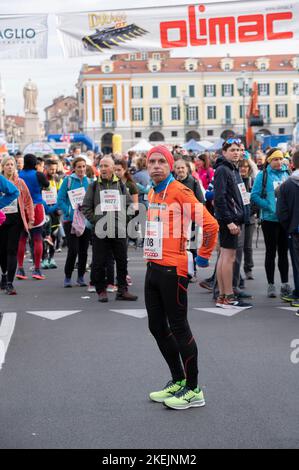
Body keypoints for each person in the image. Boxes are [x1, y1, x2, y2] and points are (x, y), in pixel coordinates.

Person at [144, 145, 218, 410]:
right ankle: (177, 380)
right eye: (151, 161)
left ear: (170, 164)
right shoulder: (152, 191)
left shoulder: (180, 191)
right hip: (153, 265)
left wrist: (203, 256)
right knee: (156, 326)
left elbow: (210, 225)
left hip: (173, 269)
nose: (155, 166)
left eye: (161, 162)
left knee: (179, 327)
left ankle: (194, 389)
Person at [82, 156, 138, 302]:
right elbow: (86, 207)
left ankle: (122, 290)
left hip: (119, 230)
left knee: (122, 261)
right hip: (100, 230)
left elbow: (130, 205)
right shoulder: (94, 186)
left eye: (106, 166)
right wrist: (96, 221)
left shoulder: (120, 185)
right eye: (101, 166)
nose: (103, 168)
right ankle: (101, 291)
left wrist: (125, 221)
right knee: (98, 262)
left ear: (113, 168)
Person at [213, 139, 252, 308]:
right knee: (228, 258)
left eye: (238, 150)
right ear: (225, 152)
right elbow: (219, 198)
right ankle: (228, 296)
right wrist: (229, 221)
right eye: (232, 150)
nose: (236, 152)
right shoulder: (223, 169)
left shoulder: (232, 169)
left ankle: (223, 296)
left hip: (233, 219)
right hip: (229, 220)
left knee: (225, 257)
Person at [251, 148, 291, 298]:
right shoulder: (263, 175)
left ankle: (285, 284)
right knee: (270, 253)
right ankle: (271, 284)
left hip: (284, 220)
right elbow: (254, 195)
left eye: (281, 159)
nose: (279, 162)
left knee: (283, 253)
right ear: (269, 160)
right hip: (269, 220)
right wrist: (268, 205)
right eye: (275, 159)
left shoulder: (287, 174)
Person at [0, 156, 34, 294]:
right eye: (7, 164)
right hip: (1, 220)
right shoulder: (1, 181)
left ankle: (9, 283)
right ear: (3, 167)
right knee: (2, 251)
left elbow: (28, 201)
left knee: (11, 250)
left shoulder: (20, 183)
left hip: (16, 221)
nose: (9, 167)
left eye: (12, 164)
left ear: (15, 167)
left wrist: (31, 219)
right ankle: (3, 275)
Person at [57, 156, 91, 287]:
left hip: (85, 221)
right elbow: (60, 200)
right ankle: (67, 276)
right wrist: (70, 212)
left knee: (83, 251)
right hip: (70, 221)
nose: (82, 169)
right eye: (79, 167)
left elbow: (92, 200)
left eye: (83, 166)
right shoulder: (68, 181)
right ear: (74, 168)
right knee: (73, 250)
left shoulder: (89, 181)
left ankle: (81, 277)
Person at [17, 154, 50, 280]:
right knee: (37, 239)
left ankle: (20, 268)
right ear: (35, 163)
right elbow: (46, 185)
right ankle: (37, 270)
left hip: (22, 208)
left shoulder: (19, 174)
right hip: (36, 207)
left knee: (21, 239)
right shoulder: (38, 174)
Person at [277, 150, 299, 309]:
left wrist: (288, 227)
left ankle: (298, 293)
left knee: (297, 263)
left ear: (292, 164)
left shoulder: (287, 184)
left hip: (295, 229)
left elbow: (281, 211)